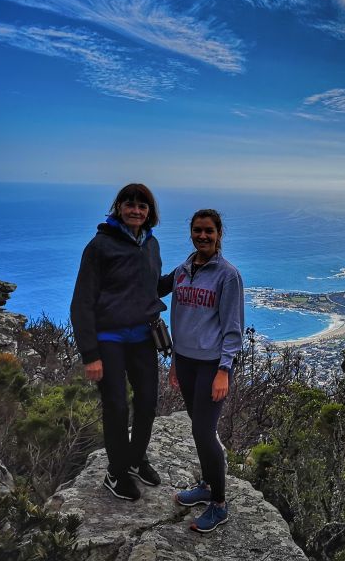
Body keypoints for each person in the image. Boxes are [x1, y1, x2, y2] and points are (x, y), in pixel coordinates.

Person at [71, 184, 165, 501]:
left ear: (150, 212)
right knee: (116, 406)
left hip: (142, 337)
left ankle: (136, 459)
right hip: (109, 337)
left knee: (149, 402)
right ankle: (116, 472)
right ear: (119, 207)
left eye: (143, 206)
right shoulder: (99, 246)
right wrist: (90, 355)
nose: (136, 210)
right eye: (130, 204)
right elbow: (81, 302)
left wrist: (187, 272)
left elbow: (151, 287)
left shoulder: (151, 245)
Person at [160, 209, 244, 533]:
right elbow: (159, 293)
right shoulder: (183, 270)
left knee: (203, 432)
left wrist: (224, 370)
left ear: (219, 233)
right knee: (199, 426)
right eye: (198, 230)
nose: (203, 236)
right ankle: (207, 486)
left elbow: (233, 329)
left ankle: (219, 505)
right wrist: (175, 364)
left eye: (209, 231)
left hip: (212, 365)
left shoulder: (228, 275)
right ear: (191, 233)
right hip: (186, 362)